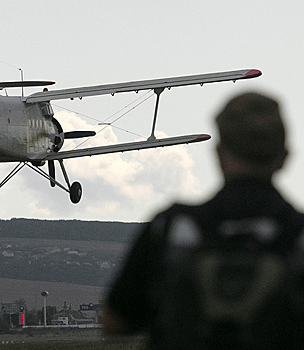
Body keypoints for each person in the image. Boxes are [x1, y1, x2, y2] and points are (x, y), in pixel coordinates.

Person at [104, 92, 304, 349]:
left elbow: (115, 321)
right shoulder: (297, 233)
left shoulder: (169, 227)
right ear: (285, 157)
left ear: (219, 154)